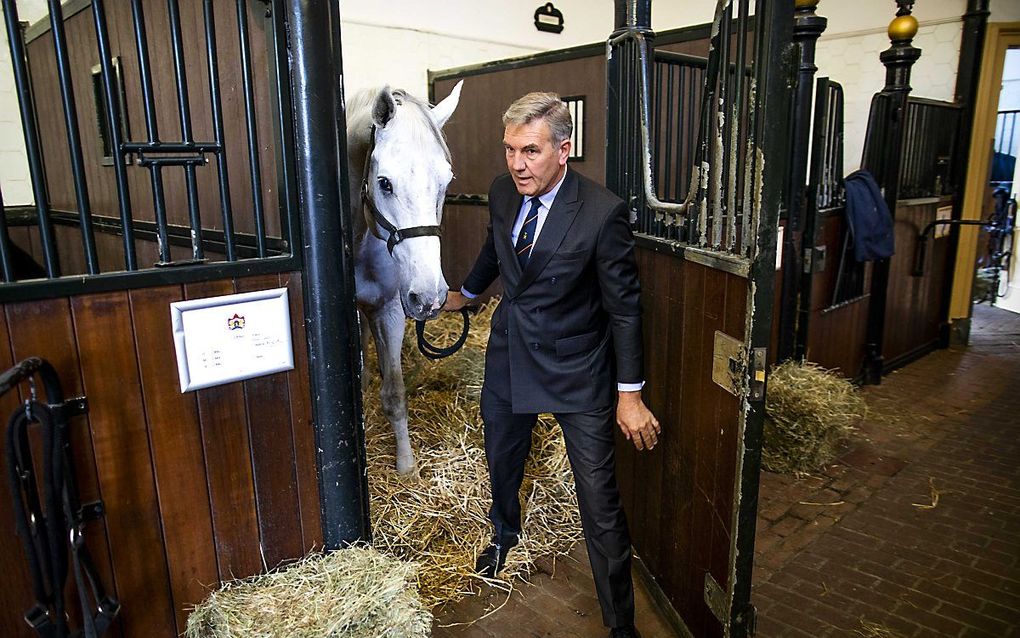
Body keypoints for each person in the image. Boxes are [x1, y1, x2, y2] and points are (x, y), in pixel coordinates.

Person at [443, 92, 660, 638]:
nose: (517, 164)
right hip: (510, 354)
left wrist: (628, 394)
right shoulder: (501, 191)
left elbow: (624, 309)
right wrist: (466, 292)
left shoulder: (602, 212)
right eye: (510, 150)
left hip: (578, 370)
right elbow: (498, 248)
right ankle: (504, 535)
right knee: (503, 459)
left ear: (564, 150)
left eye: (531, 151)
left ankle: (620, 625)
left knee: (599, 501)